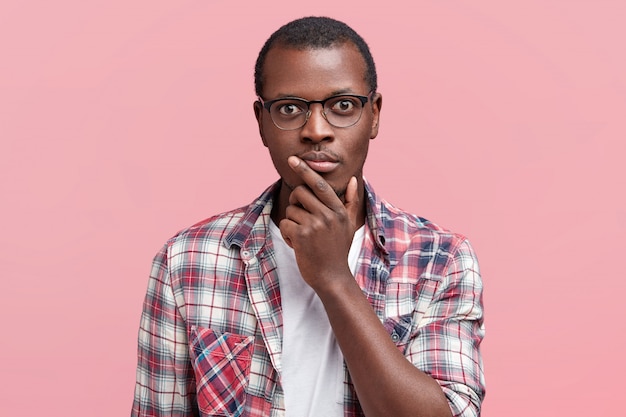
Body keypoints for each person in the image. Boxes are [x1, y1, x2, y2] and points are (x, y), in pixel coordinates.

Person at [131, 16, 485, 417]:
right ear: (261, 122)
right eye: (289, 108)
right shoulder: (186, 261)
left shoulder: (441, 260)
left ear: (375, 115)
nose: (316, 130)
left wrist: (334, 278)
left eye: (343, 105)